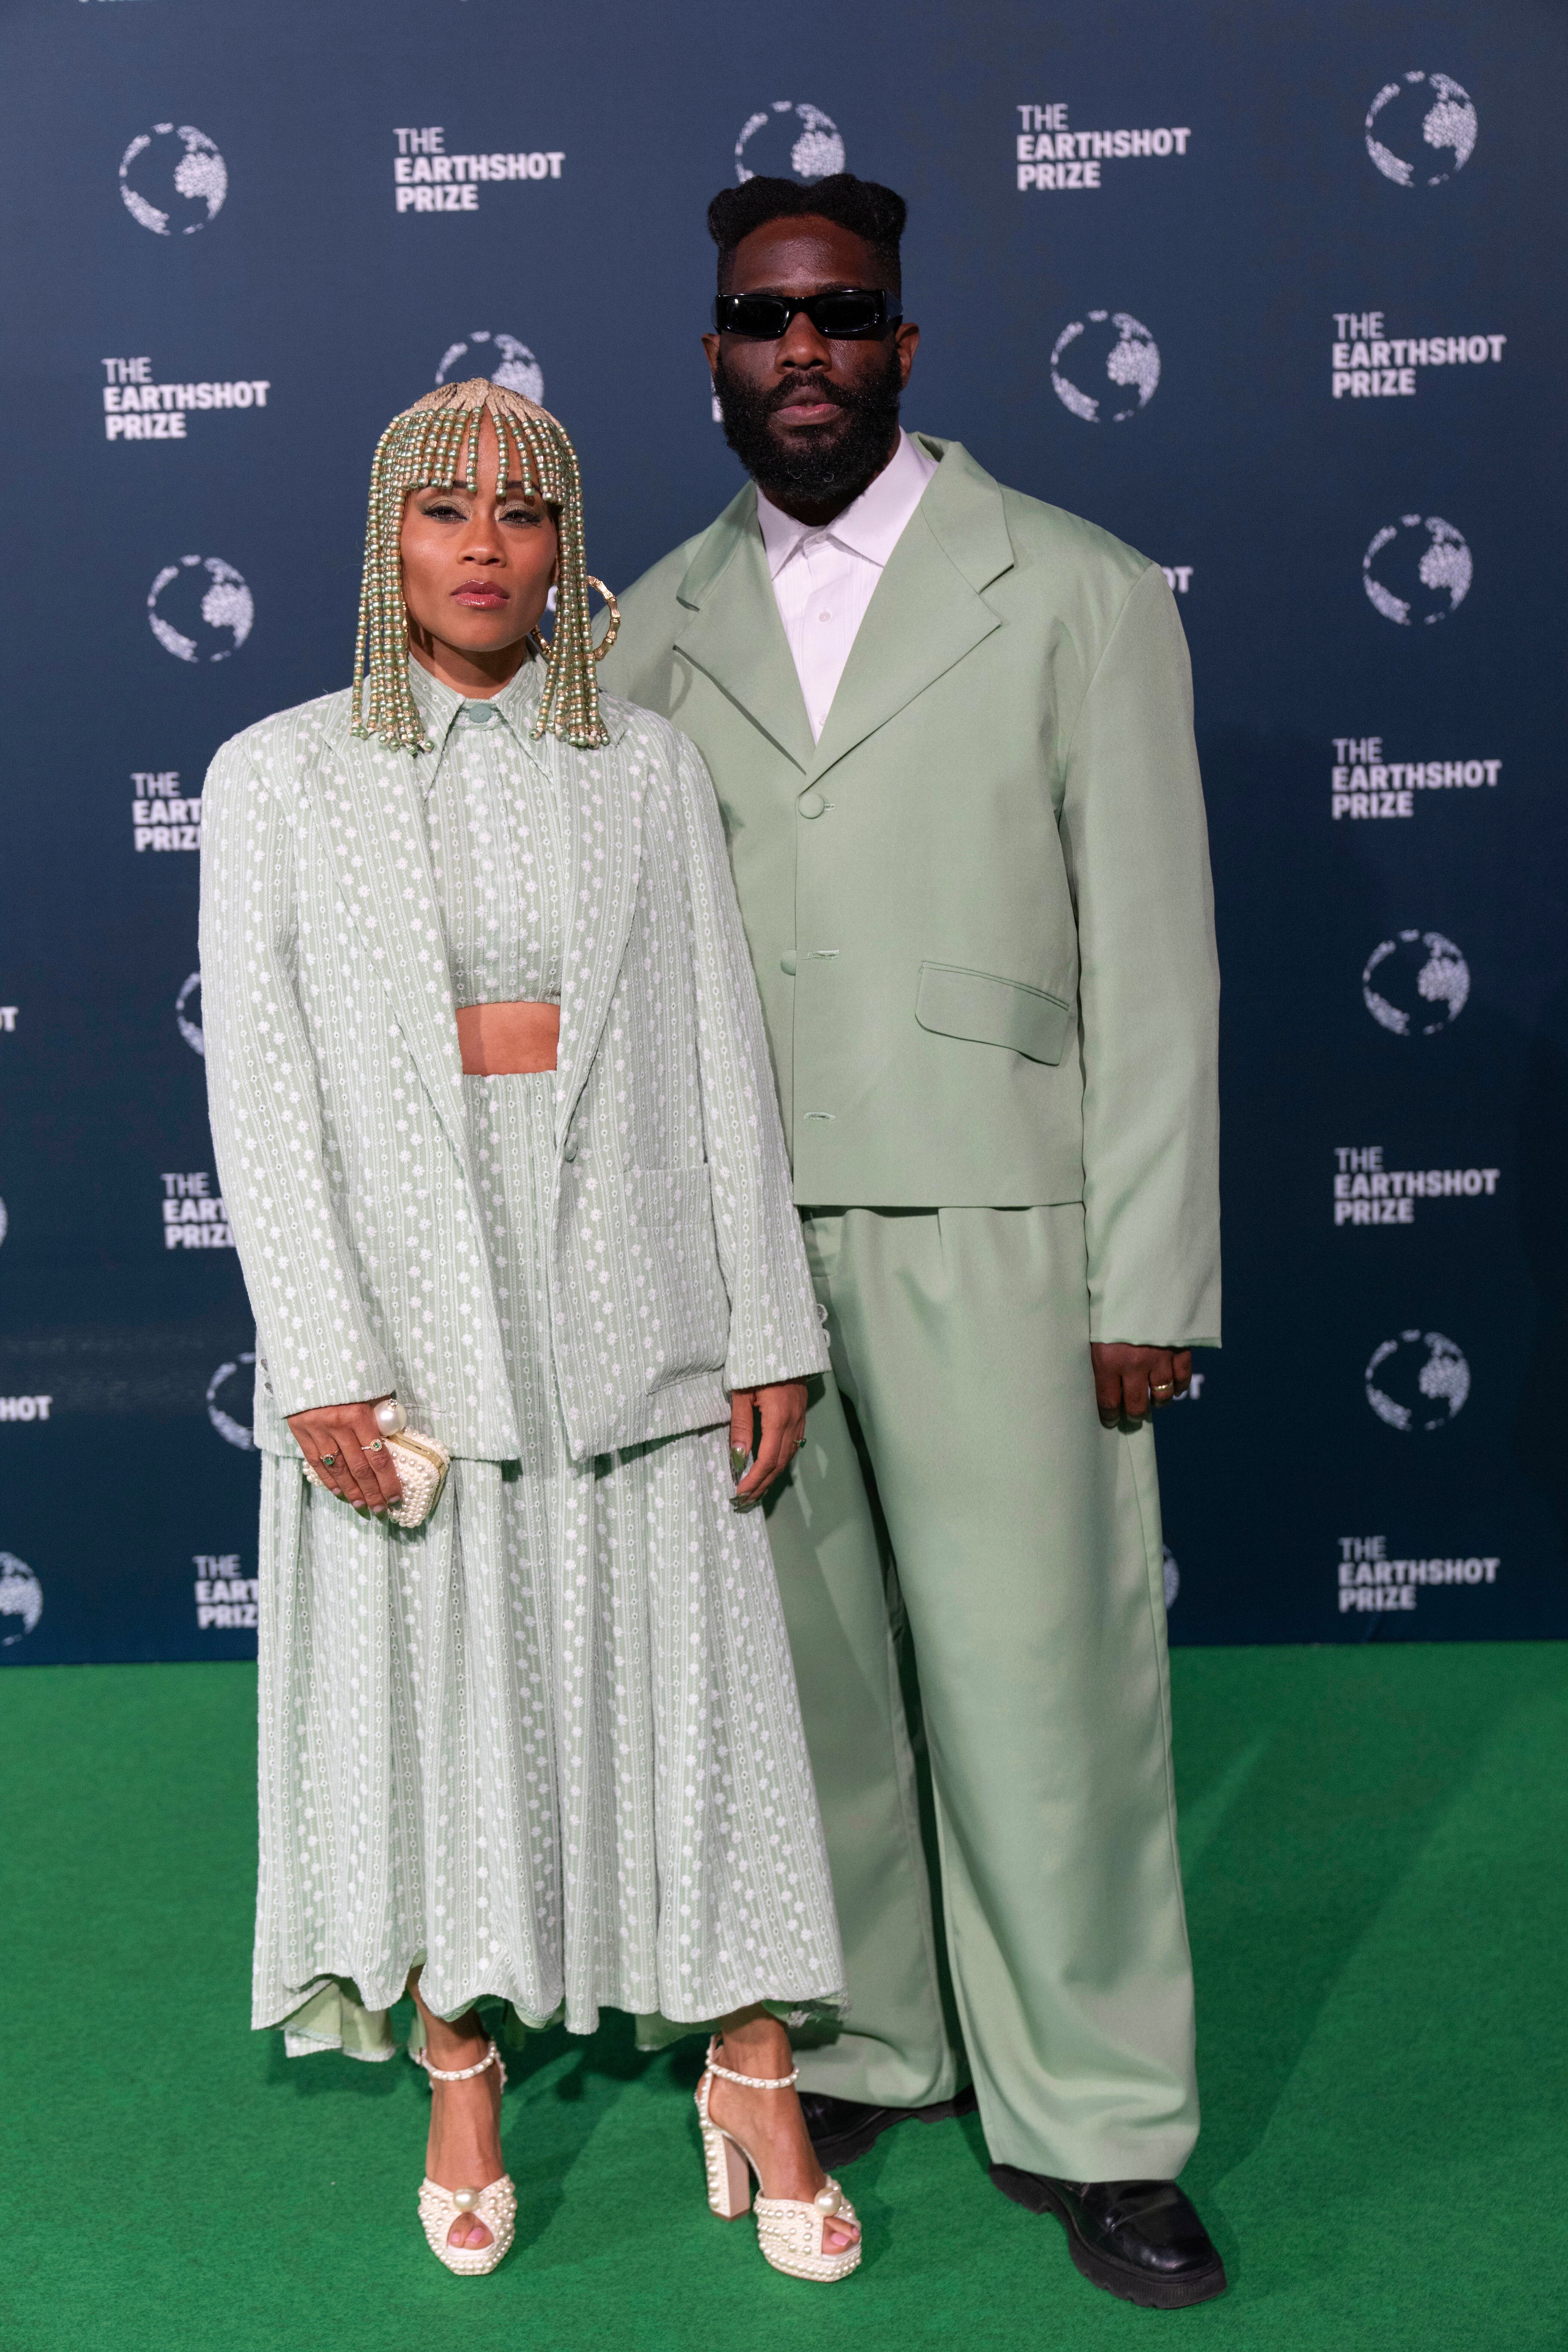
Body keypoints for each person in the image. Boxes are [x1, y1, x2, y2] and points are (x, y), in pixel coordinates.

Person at [598, 175, 1226, 2310]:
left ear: (904, 346)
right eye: (765, 322)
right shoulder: (650, 620)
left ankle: (1101, 2121)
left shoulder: (1075, 587)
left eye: (843, 317)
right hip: (744, 1255)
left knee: (1051, 1696)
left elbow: (1159, 947)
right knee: (815, 1694)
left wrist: (1148, 1271)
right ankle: (869, 2037)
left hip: (1005, 1225)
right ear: (713, 352)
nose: (804, 355)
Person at [198, 376, 863, 2285]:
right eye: (443, 507)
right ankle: (461, 2060)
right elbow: (261, 1091)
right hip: (409, 1310)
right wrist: (318, 1349)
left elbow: (721, 1053)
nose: (485, 546)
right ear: (385, 539)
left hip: (636, 1293)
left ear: (567, 547)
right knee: (441, 1695)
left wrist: (767, 1316)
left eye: (522, 511)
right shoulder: (279, 774)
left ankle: (751, 2068)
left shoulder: (644, 765)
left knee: (700, 1698)